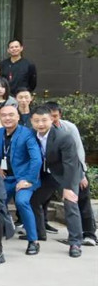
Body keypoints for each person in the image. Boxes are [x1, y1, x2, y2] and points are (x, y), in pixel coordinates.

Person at [0, 104, 42, 255]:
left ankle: (33, 241)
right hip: (6, 177)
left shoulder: (28, 133)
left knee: (22, 202)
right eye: (4, 115)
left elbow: (36, 159)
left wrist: (29, 180)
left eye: (11, 115)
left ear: (18, 117)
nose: (7, 118)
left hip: (25, 178)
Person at [29, 106, 83, 257]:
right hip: (48, 174)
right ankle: (40, 233)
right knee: (34, 200)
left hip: (67, 173)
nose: (40, 124)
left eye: (44, 120)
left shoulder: (64, 137)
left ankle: (75, 243)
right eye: (36, 121)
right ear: (31, 121)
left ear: (51, 120)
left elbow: (70, 164)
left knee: (70, 203)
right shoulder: (31, 134)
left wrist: (68, 187)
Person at [48, 102, 96, 246]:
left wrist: (82, 174)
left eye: (55, 116)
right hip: (58, 172)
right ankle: (75, 235)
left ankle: (89, 234)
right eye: (50, 116)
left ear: (60, 115)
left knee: (82, 200)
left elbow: (79, 151)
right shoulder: (45, 130)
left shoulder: (69, 128)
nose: (52, 119)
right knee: (69, 202)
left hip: (76, 169)